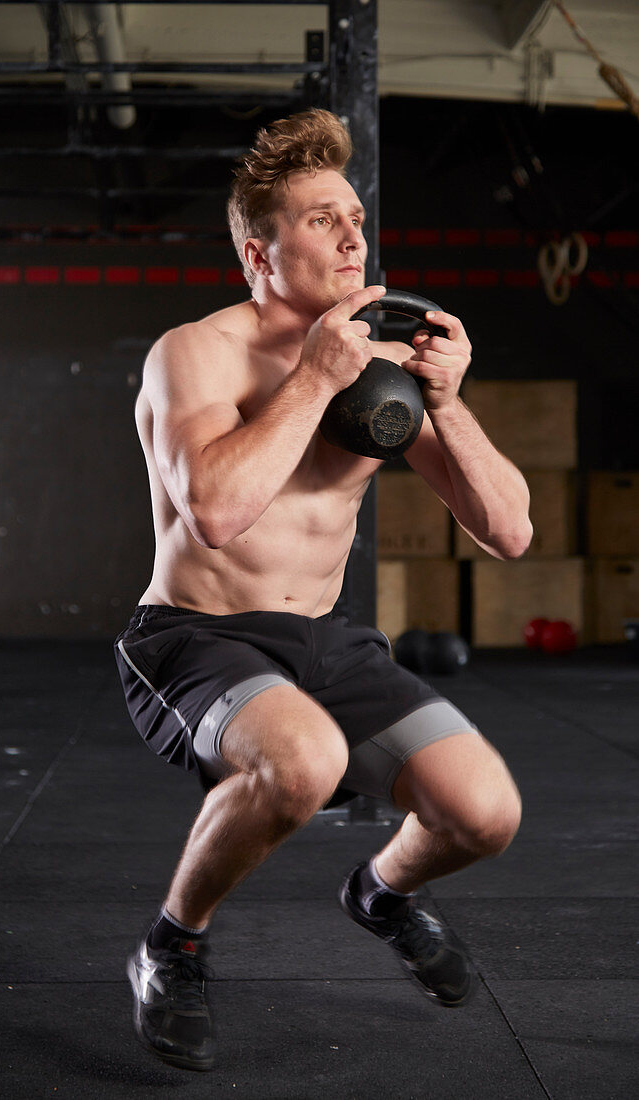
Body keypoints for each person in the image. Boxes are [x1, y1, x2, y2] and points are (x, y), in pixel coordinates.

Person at [115, 108, 531, 1073]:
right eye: (319, 221)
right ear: (260, 256)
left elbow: (508, 532)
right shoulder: (195, 353)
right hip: (193, 635)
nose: (352, 237)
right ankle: (170, 946)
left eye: (353, 216)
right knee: (300, 765)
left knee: (483, 814)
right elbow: (216, 512)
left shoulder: (377, 365)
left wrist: (448, 402)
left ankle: (381, 894)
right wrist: (312, 379)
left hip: (324, 641)